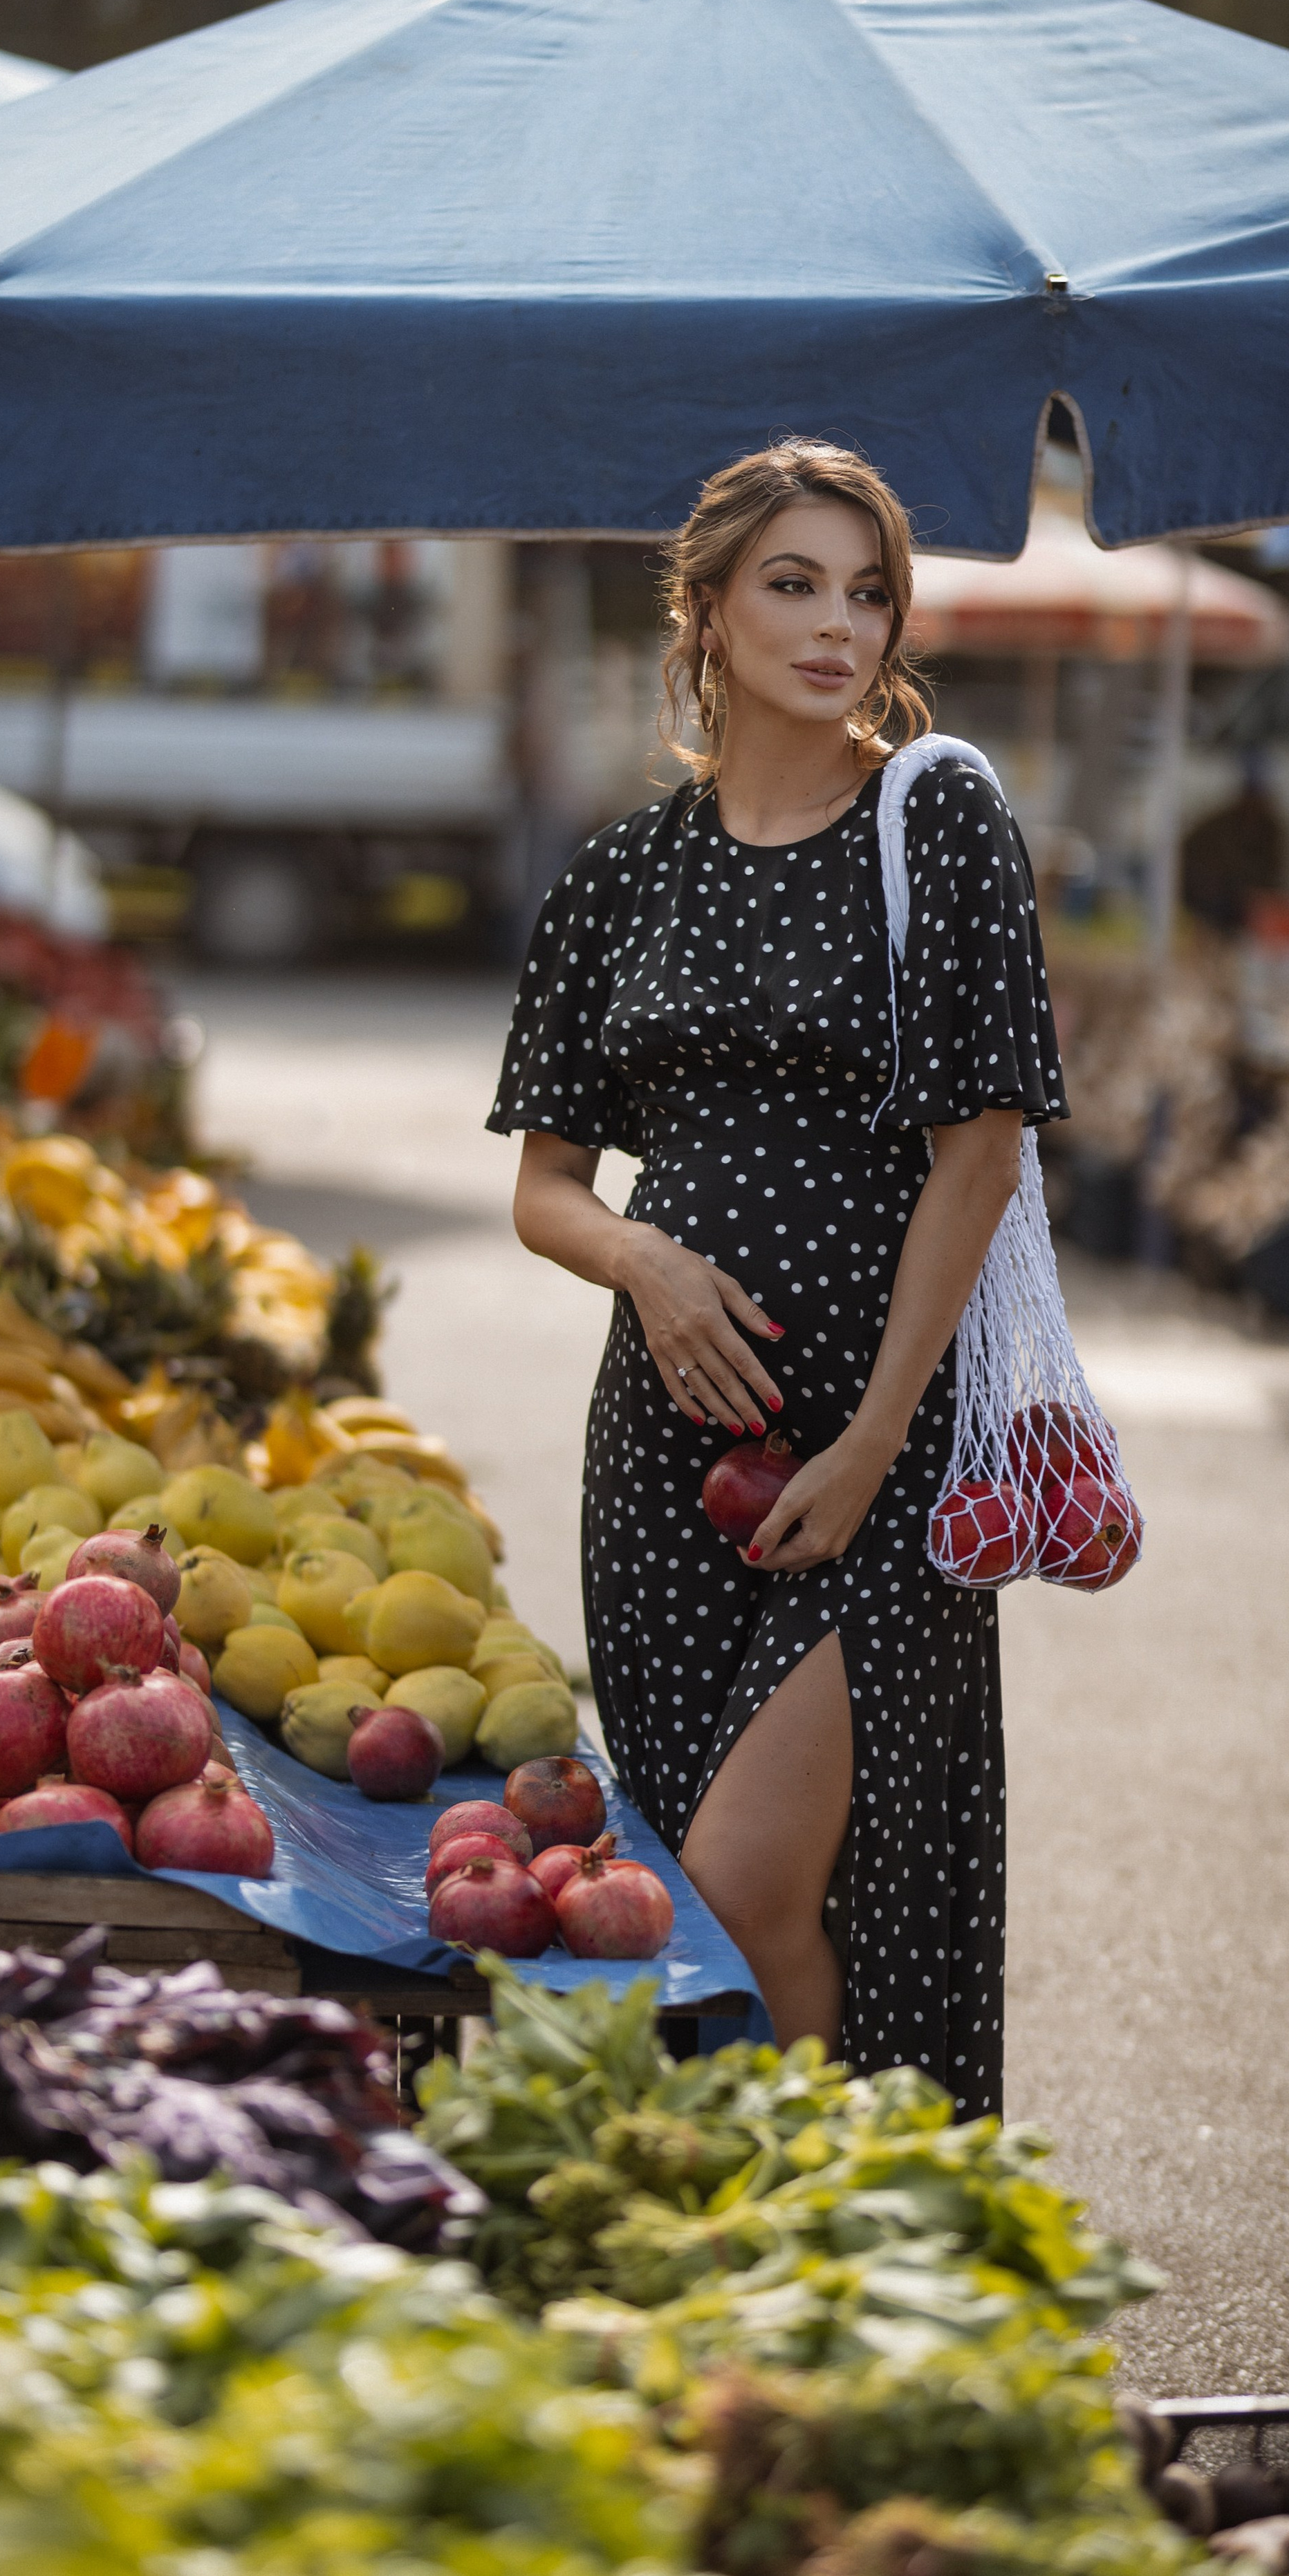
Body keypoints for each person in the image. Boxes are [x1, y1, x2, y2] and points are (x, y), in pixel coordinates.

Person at [486, 440, 1065, 2112]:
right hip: (666, 1456)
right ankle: (783, 2233)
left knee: (749, 1875)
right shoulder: (618, 871)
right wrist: (645, 1264)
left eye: (868, 590)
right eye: (793, 584)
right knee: (705, 1907)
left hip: (876, 1444)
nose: (837, 626)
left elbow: (982, 1152)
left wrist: (882, 1433)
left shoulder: (934, 817)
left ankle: (820, 2207)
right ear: (708, 607)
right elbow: (542, 1190)